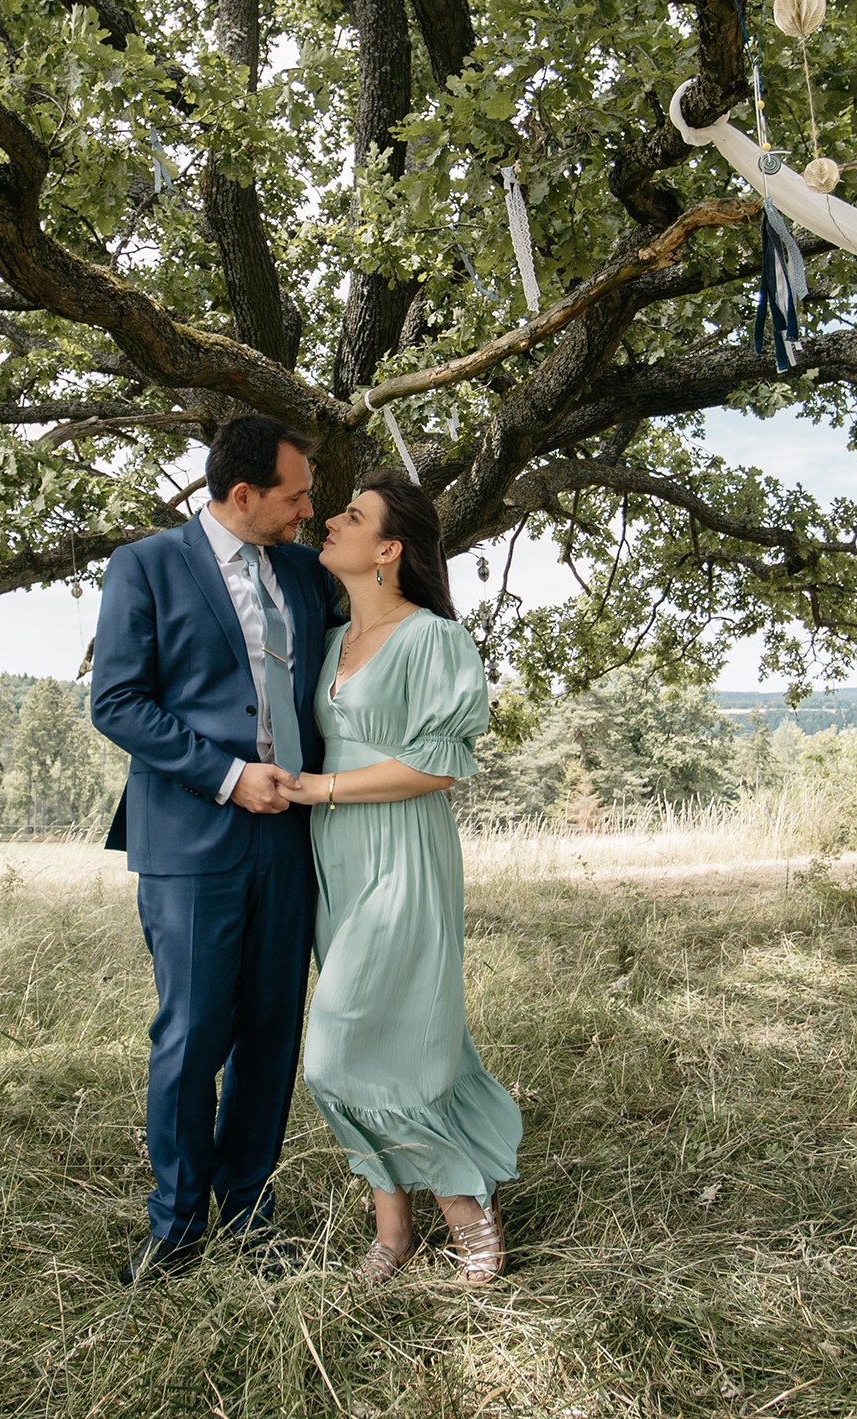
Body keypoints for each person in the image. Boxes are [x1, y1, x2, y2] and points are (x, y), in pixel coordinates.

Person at [90, 414, 345, 1282]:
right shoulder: (145, 567)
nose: (310, 509)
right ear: (244, 496)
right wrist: (229, 775)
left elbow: (394, 589)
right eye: (297, 494)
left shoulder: (310, 573)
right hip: (192, 839)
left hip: (291, 839)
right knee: (192, 1034)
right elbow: (118, 702)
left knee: (273, 1033)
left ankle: (250, 1212)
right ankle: (176, 1223)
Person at [280, 470, 519, 1284]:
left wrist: (325, 786)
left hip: (403, 850)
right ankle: (393, 1225)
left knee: (341, 1048)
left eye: (351, 516)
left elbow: (439, 764)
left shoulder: (433, 638)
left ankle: (464, 1201)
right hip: (335, 856)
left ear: (389, 548)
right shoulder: (330, 635)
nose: (331, 522)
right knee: (389, 1032)